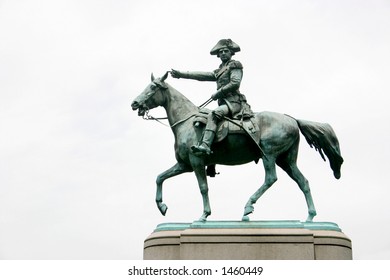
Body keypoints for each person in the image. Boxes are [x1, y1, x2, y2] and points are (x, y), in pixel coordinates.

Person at [171, 39, 251, 156]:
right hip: (224, 103)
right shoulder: (219, 71)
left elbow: (235, 83)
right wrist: (181, 74)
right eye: (221, 51)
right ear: (218, 55)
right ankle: (212, 162)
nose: (223, 53)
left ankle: (205, 145)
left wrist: (219, 93)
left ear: (231, 53)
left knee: (214, 114)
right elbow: (201, 76)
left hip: (234, 102)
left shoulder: (235, 65)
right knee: (202, 116)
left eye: (226, 51)